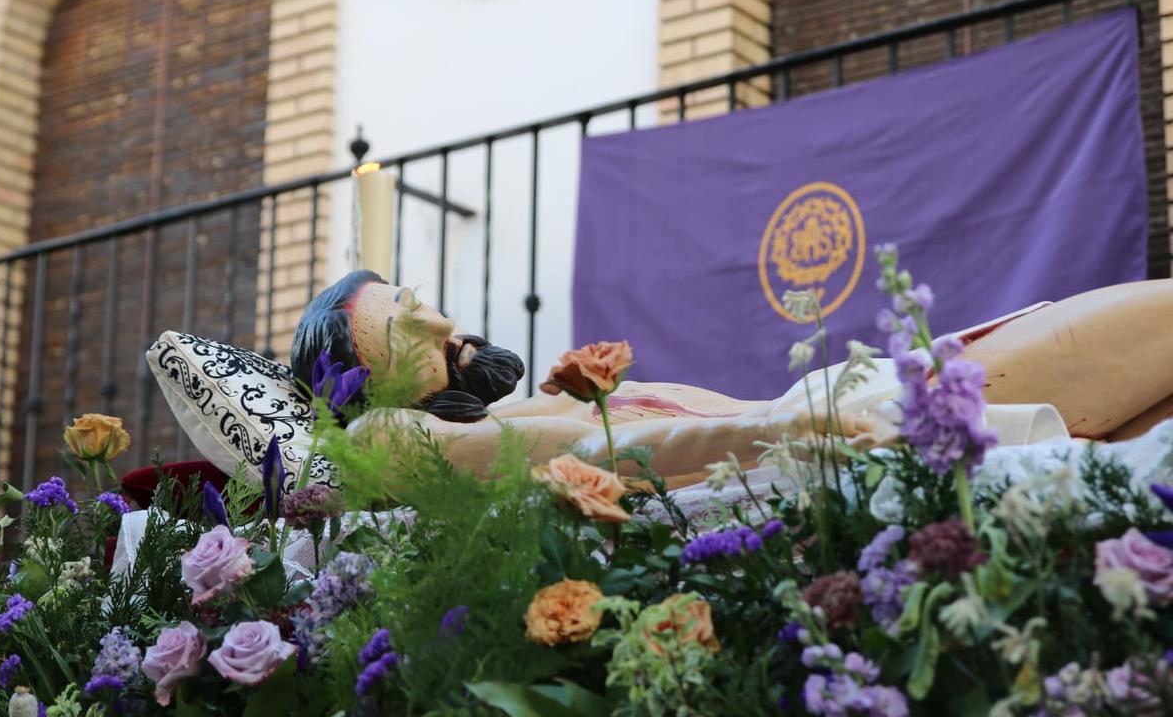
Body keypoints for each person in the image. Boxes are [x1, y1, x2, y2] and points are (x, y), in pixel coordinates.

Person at [291, 271, 1173, 486]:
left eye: (418, 301)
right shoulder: (384, 434)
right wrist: (777, 432)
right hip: (838, 432)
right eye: (405, 330)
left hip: (837, 411)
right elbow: (583, 455)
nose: (442, 324)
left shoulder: (520, 404)